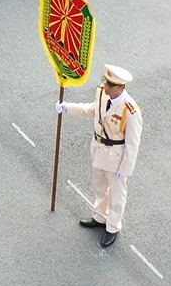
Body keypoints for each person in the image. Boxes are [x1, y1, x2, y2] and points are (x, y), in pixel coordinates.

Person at [58, 64, 142, 247]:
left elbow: (132, 143)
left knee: (117, 195)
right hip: (98, 149)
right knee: (100, 187)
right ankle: (101, 216)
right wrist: (67, 108)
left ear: (122, 88)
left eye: (111, 85)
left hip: (116, 156)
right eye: (106, 82)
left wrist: (126, 168)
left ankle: (113, 226)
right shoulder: (102, 93)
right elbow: (93, 110)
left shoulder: (130, 111)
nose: (106, 86)